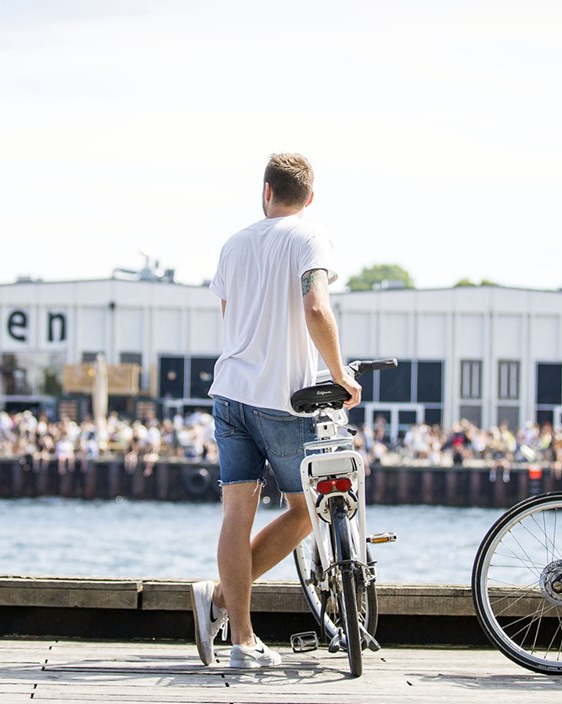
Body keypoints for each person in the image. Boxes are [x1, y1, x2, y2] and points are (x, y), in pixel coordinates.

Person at [191, 153, 361, 669]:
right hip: (282, 400)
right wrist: (339, 374)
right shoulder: (309, 238)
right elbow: (315, 307)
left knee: (236, 515)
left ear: (266, 191)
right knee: (309, 509)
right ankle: (220, 599)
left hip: (229, 394)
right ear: (309, 198)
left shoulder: (234, 244)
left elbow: (230, 316)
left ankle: (240, 636)